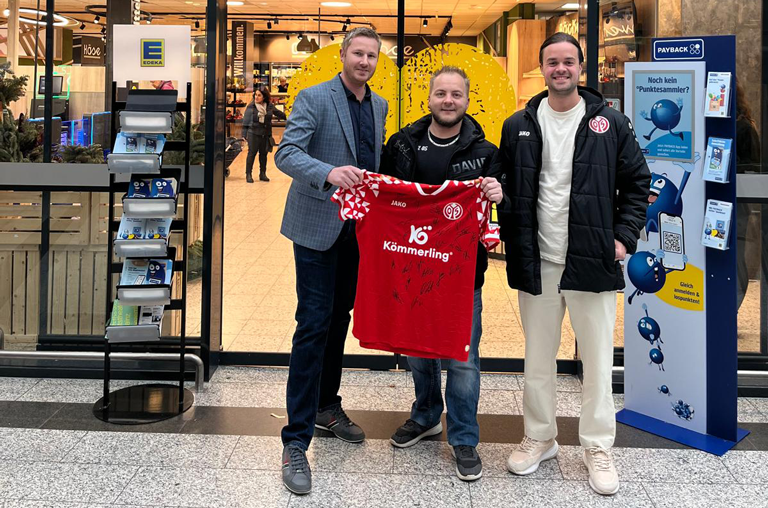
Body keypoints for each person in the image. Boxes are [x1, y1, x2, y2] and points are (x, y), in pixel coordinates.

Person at [494, 32, 649, 496]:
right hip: (538, 260)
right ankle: (540, 437)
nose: (560, 69)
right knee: (537, 359)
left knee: (598, 362)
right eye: (551, 62)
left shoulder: (611, 123)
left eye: (568, 62)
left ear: (581, 67)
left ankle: (598, 447)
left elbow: (638, 184)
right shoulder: (518, 123)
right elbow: (504, 185)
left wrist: (623, 239)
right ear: (541, 68)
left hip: (591, 260)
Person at [274, 26, 388, 495]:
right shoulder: (314, 98)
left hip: (357, 233)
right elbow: (286, 153)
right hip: (317, 227)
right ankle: (295, 440)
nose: (364, 61)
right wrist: (329, 174)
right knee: (314, 322)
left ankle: (326, 407)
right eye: (357, 53)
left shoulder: (378, 106)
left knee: (339, 317)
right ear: (343, 55)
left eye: (371, 56)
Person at [379, 66, 501, 482]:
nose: (448, 101)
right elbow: (384, 196)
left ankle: (464, 438)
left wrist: (497, 190)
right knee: (417, 350)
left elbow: (505, 198)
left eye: (456, 95)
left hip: (464, 276)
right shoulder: (401, 144)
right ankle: (426, 415)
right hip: (412, 269)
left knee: (463, 359)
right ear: (428, 99)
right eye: (441, 94)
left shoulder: (486, 152)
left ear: (467, 100)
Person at [242, 86, 286, 182]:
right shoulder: (251, 106)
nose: (256, 97)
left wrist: (291, 116)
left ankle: (262, 174)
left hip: (265, 134)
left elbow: (279, 113)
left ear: (264, 97)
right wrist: (244, 135)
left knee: (263, 154)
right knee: (251, 154)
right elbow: (245, 121)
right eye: (255, 95)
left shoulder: (269, 106)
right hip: (253, 133)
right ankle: (248, 174)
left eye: (259, 95)